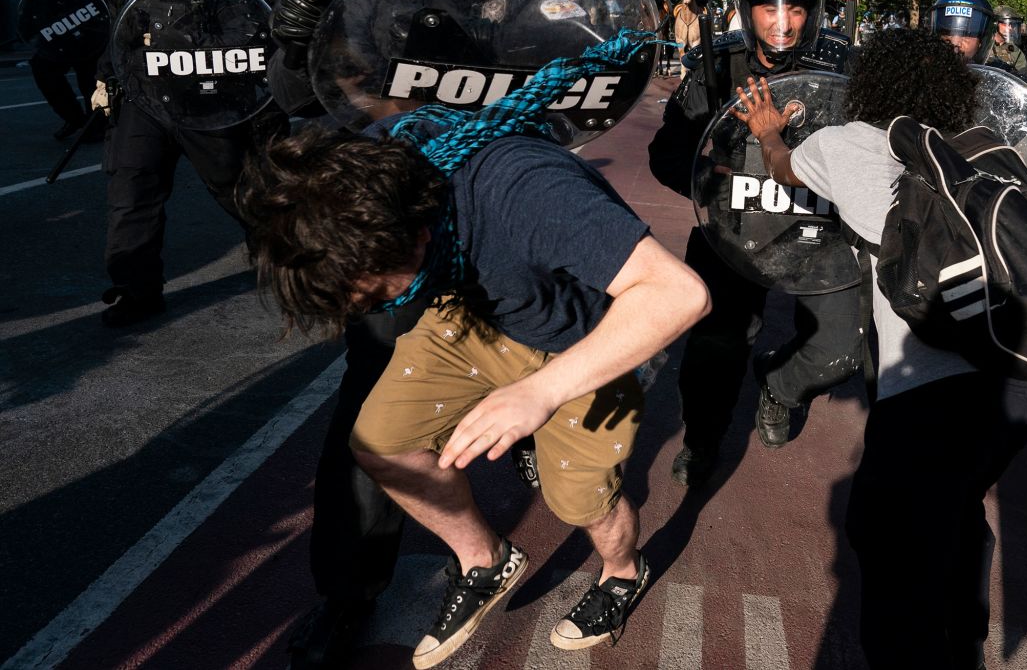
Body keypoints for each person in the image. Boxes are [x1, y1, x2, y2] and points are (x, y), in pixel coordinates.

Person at [236, 108, 710, 667]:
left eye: (376, 294)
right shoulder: (368, 172)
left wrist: (541, 390)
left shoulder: (526, 190)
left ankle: (624, 573)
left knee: (580, 502)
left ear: (411, 236)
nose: (366, 308)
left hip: (580, 342)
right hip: (475, 315)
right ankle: (484, 560)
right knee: (379, 442)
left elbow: (680, 295)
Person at [265, 0, 550, 669]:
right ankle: (348, 595)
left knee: (563, 401)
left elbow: (581, 115)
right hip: (405, 241)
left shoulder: (538, 15)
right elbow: (301, 103)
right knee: (365, 425)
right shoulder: (379, 9)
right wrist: (298, 36)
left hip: (498, 236)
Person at [732, 26, 1027, 670]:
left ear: (871, 84)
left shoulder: (848, 144)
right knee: (958, 513)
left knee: (886, 546)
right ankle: (965, 643)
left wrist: (768, 127)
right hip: (1019, 385)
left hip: (927, 394)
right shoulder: (988, 149)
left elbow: (783, 168)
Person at [648, 0, 860, 488]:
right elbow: (665, 154)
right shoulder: (717, 68)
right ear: (750, 9)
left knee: (843, 347)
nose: (783, 22)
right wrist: (708, 173)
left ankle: (781, 387)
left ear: (814, 9)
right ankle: (702, 441)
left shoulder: (842, 69)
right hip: (733, 234)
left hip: (818, 235)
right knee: (714, 349)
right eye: (770, 7)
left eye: (796, 8)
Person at [91, 0, 287, 327]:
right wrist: (105, 78)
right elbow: (118, 38)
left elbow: (251, 44)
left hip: (204, 101)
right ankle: (135, 290)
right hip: (144, 101)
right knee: (131, 191)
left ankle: (286, 259)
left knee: (236, 188)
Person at [25, 0, 102, 140]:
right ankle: (75, 118)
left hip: (84, 34)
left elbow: (93, 0)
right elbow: (33, 3)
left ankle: (94, 126)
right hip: (55, 35)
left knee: (89, 82)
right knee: (43, 71)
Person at [927, 0, 996, 64]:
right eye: (947, 37)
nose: (955, 44)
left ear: (981, 43)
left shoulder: (994, 72)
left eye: (966, 37)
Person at [987, 4, 1027, 72]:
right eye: (1006, 24)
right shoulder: (983, 46)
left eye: (1012, 25)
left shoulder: (1015, 50)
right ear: (995, 24)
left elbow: (1022, 74)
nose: (1010, 28)